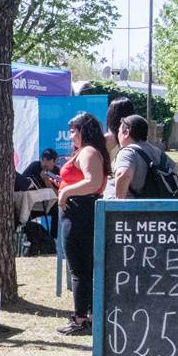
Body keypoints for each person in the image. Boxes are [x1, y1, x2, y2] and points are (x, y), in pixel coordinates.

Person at [56, 112, 111, 336]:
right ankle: (87, 315)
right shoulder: (90, 150)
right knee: (84, 268)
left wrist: (66, 192)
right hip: (80, 212)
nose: (71, 136)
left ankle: (80, 319)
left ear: (83, 131)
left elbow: (94, 182)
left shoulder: (88, 151)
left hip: (80, 213)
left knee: (79, 268)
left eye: (74, 131)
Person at [112, 115, 166, 199]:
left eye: (119, 131)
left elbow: (122, 175)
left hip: (135, 209)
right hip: (163, 209)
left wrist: (117, 203)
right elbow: (175, 170)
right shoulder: (158, 152)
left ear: (126, 133)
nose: (118, 135)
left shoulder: (127, 152)